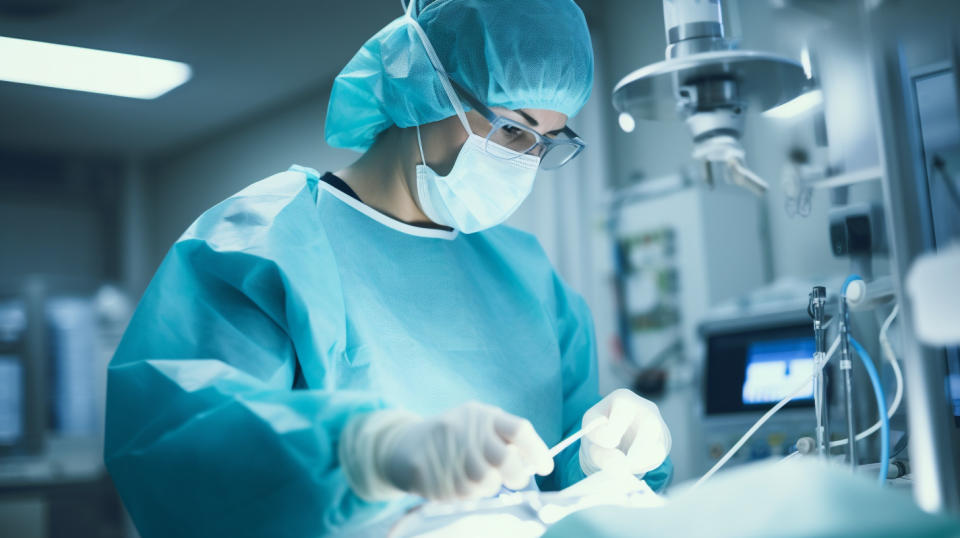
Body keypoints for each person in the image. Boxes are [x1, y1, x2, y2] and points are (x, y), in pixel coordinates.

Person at [103, 0, 673, 535]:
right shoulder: (266, 241)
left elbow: (564, 491)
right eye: (511, 129)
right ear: (428, 86)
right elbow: (178, 443)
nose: (523, 160)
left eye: (545, 143)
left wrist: (605, 459)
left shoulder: (527, 279)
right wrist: (371, 452)